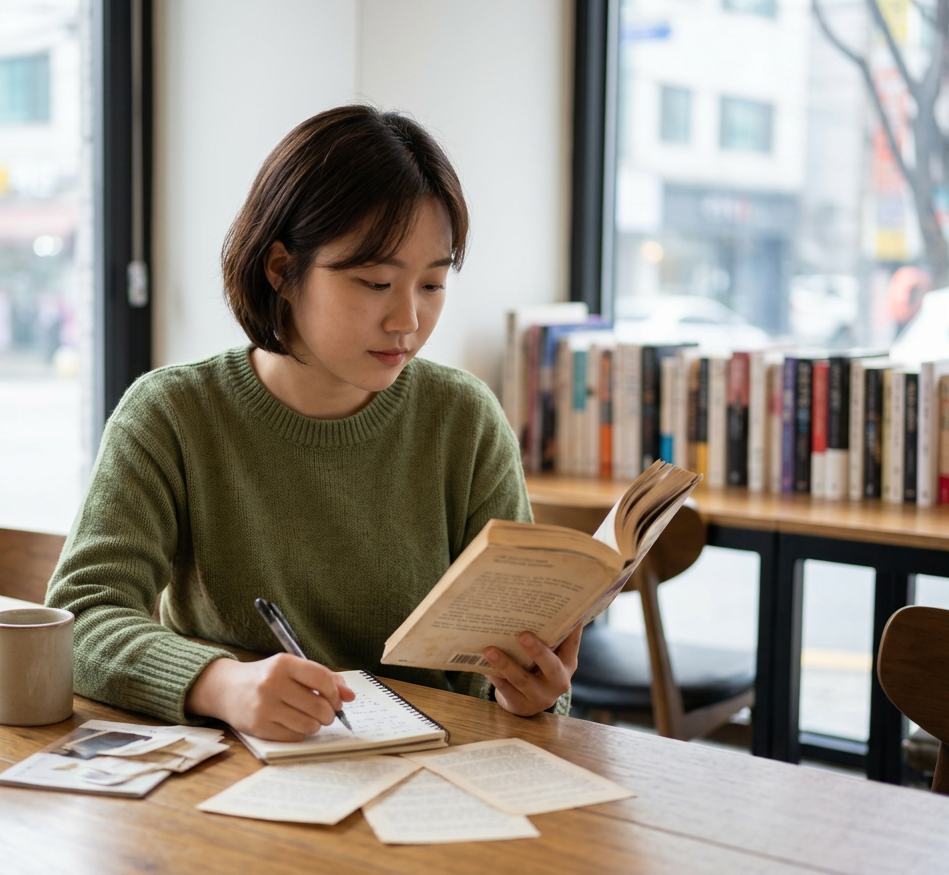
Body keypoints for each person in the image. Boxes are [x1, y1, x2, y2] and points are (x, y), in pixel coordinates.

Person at [46, 105, 582, 740]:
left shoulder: (463, 421)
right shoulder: (172, 414)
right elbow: (80, 617)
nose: (407, 319)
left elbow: (500, 679)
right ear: (282, 271)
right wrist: (222, 685)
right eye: (375, 281)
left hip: (429, 780)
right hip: (229, 776)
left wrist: (531, 697)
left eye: (432, 286)